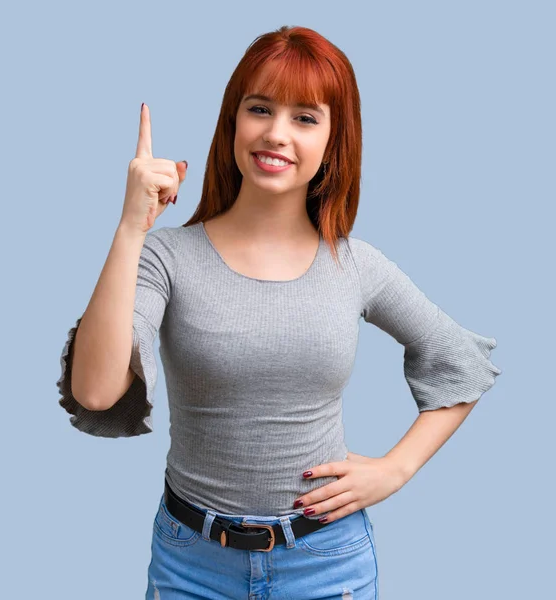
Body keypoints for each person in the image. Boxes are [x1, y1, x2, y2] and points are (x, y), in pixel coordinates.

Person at [57, 25, 501, 600]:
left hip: (327, 563)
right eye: (260, 108)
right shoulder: (166, 258)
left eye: (305, 118)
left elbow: (460, 361)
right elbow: (95, 391)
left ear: (334, 139)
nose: (276, 133)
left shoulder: (356, 265)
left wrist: (396, 470)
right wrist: (129, 229)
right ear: (233, 121)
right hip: (191, 564)